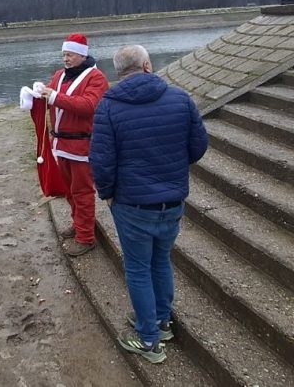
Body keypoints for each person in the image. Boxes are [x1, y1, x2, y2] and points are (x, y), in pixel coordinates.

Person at [89, 45, 208, 365]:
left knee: (139, 268)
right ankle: (161, 321)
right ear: (147, 65)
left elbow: (101, 162)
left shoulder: (108, 107)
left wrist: (108, 193)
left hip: (131, 205)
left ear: (118, 72)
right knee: (160, 261)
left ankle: (149, 339)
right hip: (171, 201)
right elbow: (198, 147)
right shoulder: (181, 99)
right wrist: (172, 170)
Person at [41, 33, 109, 256]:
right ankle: (79, 223)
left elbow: (89, 105)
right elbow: (51, 96)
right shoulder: (60, 75)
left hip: (82, 146)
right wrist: (37, 93)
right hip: (61, 143)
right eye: (64, 54)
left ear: (81, 54)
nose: (65, 58)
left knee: (82, 192)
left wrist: (54, 97)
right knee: (69, 191)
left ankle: (86, 237)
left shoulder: (96, 78)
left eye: (69, 54)